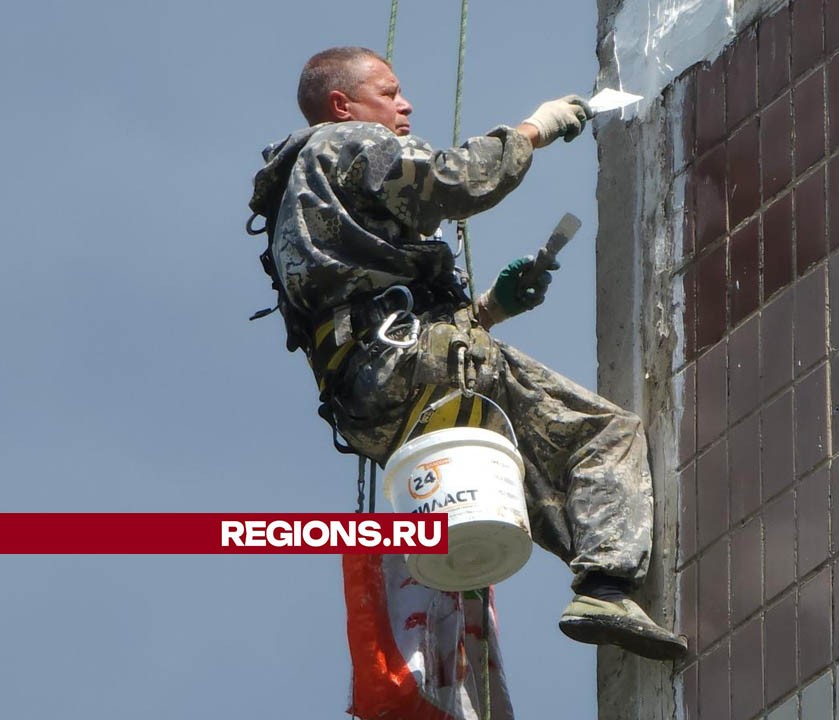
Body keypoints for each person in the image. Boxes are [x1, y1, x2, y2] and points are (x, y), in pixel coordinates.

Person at [248, 46, 687, 661]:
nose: (405, 105)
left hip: (371, 399)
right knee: (603, 435)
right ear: (343, 105)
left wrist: (490, 309)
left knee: (525, 475)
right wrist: (536, 128)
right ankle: (608, 582)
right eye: (389, 92)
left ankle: (604, 585)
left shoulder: (299, 198)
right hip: (418, 364)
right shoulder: (342, 143)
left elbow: (366, 301)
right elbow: (453, 180)